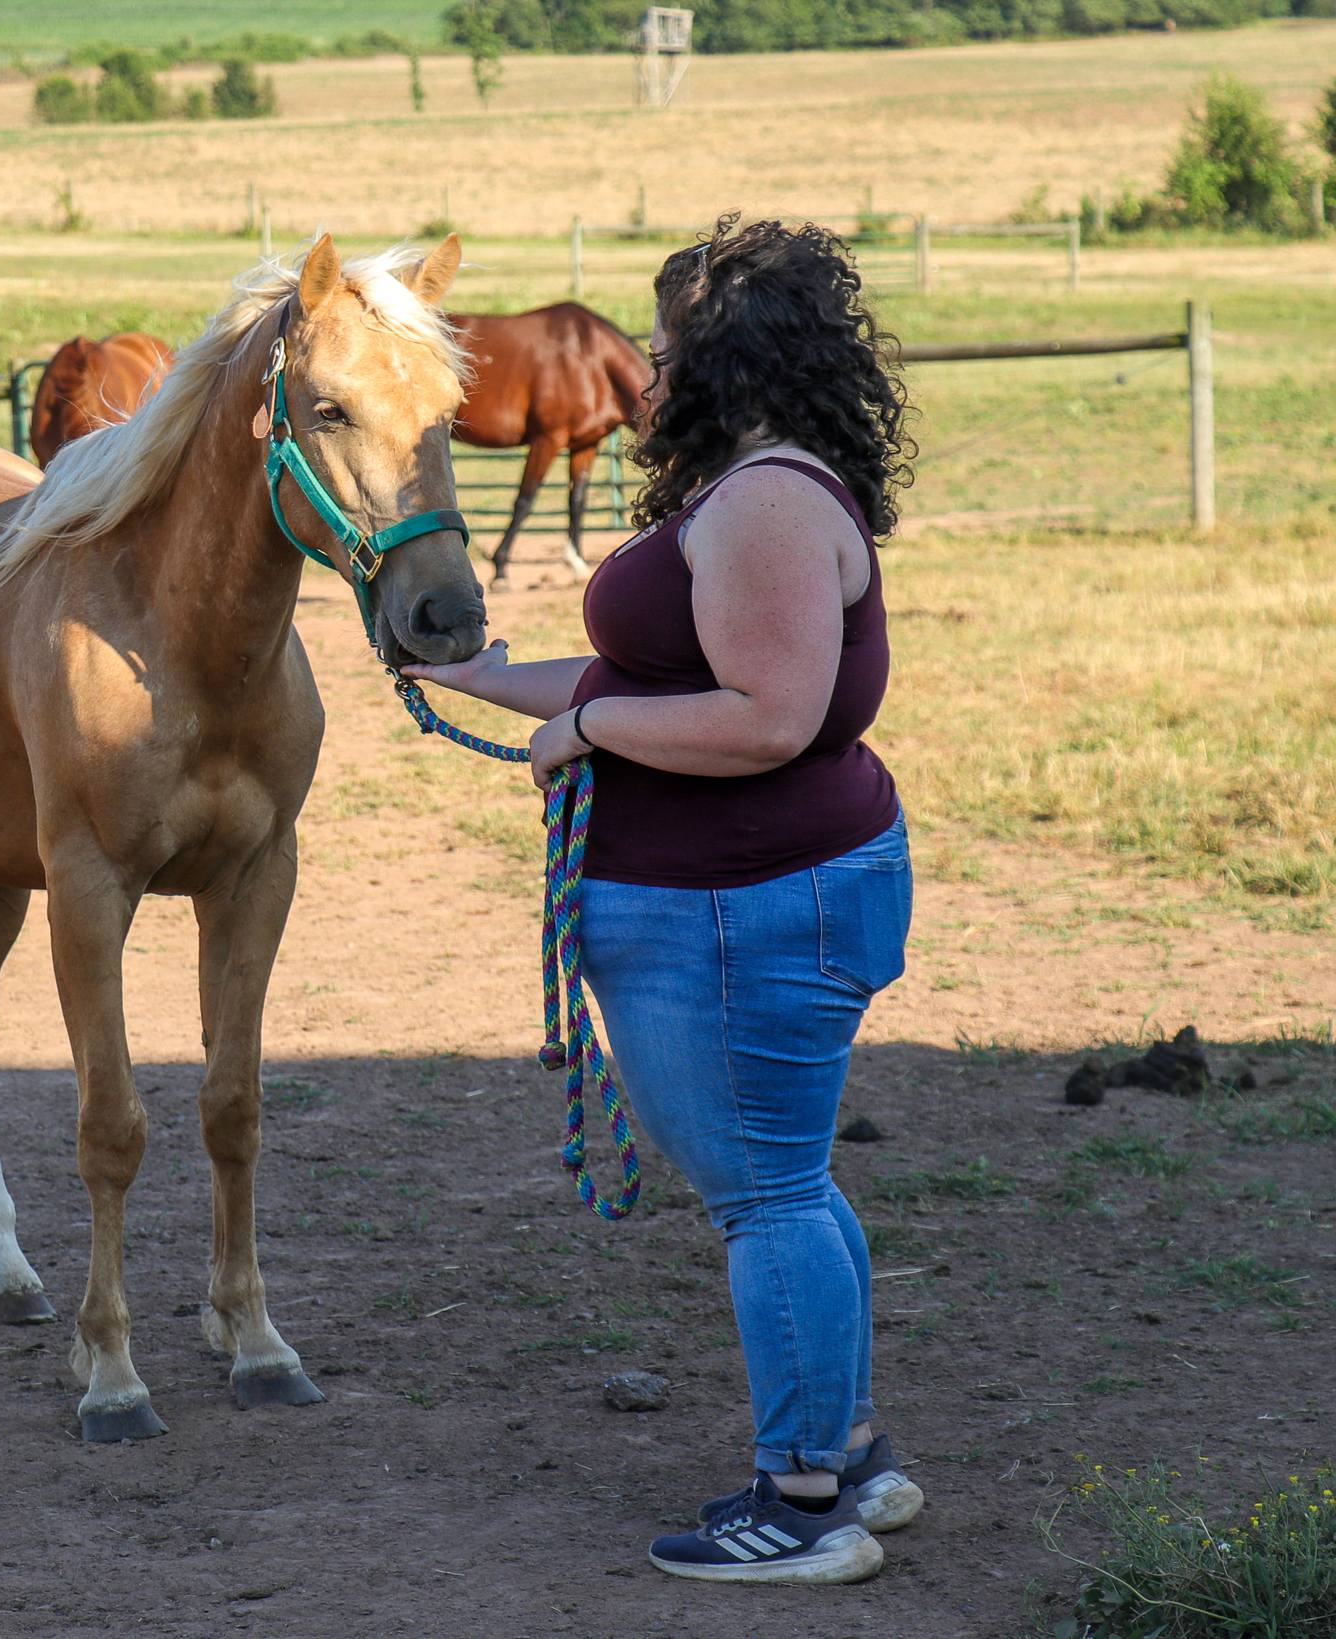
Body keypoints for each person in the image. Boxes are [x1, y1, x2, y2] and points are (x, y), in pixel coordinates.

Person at [404, 216, 920, 1586]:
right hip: (744, 900)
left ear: (723, 353)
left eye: (672, 339)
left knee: (767, 1198)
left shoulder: (759, 506)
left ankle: (804, 1500)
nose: (650, 363)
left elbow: (764, 718)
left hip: (747, 907)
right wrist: (484, 683)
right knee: (789, 1185)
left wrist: (588, 736)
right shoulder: (758, 487)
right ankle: (850, 1452)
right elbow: (648, 673)